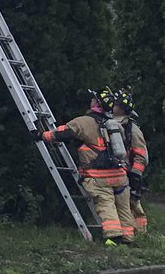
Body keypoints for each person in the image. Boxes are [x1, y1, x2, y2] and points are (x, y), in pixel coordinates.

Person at [37, 89, 135, 245]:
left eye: (93, 99)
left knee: (106, 204)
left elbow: (64, 132)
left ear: (97, 103)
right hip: (119, 175)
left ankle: (114, 237)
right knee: (124, 207)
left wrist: (42, 135)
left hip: (99, 177)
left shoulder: (85, 121)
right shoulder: (116, 124)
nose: (91, 101)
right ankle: (128, 238)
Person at [102, 86, 149, 237]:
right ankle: (126, 234)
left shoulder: (132, 128)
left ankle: (140, 234)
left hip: (129, 172)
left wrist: (135, 176)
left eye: (115, 104)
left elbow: (141, 155)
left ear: (121, 109)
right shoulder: (109, 122)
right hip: (114, 171)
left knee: (133, 206)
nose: (113, 106)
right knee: (119, 206)